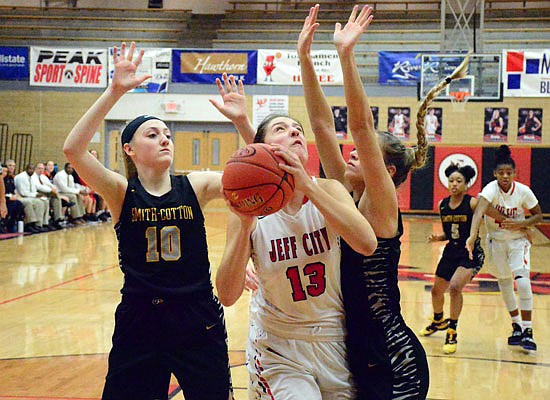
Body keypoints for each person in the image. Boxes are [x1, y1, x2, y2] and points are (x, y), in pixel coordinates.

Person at [63, 41, 233, 400]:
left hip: (196, 315)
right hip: (141, 318)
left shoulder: (195, 185)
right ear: (129, 148)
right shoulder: (121, 192)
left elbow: (248, 177)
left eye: (167, 135)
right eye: (152, 135)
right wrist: (114, 91)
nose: (164, 140)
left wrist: (243, 122)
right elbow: (73, 150)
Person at [295, 4, 442, 398]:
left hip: (393, 356)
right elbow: (323, 125)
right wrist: (305, 59)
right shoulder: (347, 191)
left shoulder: (382, 203)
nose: (353, 151)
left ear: (387, 170)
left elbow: (359, 126)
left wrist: (346, 56)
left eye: (365, 152)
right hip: (359, 351)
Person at [212, 88, 378, 398]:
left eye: (298, 130)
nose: (294, 132)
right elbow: (226, 293)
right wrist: (246, 226)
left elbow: (367, 243)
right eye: (281, 129)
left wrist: (308, 188)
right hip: (278, 345)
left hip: (334, 339)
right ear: (261, 148)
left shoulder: (329, 189)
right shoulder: (248, 210)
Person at [466, 145, 542, 351]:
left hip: (518, 241)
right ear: (495, 174)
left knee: (523, 282)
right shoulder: (490, 189)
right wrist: (473, 235)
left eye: (509, 173)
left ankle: (528, 330)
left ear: (515, 173)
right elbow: (479, 211)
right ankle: (516, 325)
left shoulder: (523, 191)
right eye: (501, 173)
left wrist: (521, 225)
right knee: (505, 283)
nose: (505, 176)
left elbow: (538, 215)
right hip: (496, 242)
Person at [420, 164, 486, 354]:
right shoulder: (443, 204)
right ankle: (438, 320)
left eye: (459, 181)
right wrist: (438, 238)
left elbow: (485, 207)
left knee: (455, 288)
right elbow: (449, 234)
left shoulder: (472, 203)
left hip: (469, 252)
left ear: (466, 185)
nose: (454, 184)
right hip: (451, 251)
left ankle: (452, 330)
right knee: (435, 292)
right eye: (451, 181)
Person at [14, 163, 50, 232]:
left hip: (30, 196)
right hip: (21, 196)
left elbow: (34, 189)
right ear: (26, 169)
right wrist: (35, 195)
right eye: (30, 169)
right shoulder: (20, 177)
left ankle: (41, 224)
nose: (31, 170)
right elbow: (23, 192)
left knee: (44, 201)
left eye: (33, 169)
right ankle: (31, 224)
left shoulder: (33, 177)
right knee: (35, 202)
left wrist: (38, 194)